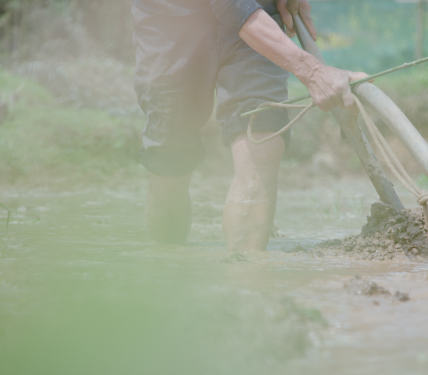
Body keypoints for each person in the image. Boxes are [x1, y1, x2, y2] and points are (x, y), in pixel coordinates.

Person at [132, 0, 367, 252]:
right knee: (171, 157)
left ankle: (246, 278)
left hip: (256, 10)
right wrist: (313, 72)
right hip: (173, 18)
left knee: (263, 138)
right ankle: (165, 274)